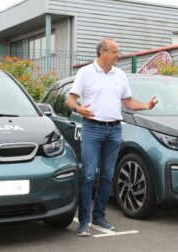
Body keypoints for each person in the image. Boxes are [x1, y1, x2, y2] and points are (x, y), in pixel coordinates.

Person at [66, 38, 157, 237]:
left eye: (118, 52)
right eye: (115, 52)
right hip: (92, 129)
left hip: (114, 130)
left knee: (107, 176)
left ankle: (99, 216)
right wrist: (78, 108)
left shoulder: (120, 75)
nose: (118, 55)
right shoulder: (86, 72)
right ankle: (84, 221)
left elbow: (129, 102)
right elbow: (70, 98)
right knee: (89, 175)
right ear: (102, 52)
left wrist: (146, 106)